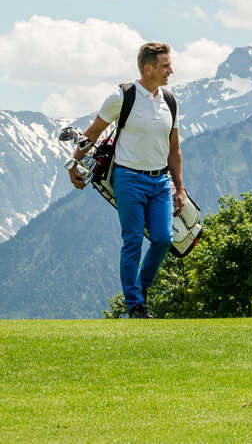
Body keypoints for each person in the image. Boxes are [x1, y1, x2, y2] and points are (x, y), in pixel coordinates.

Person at [68, 42, 185, 318]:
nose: (172, 70)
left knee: (163, 239)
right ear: (149, 68)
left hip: (160, 184)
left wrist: (180, 188)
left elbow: (174, 149)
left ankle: (139, 294)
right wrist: (73, 163)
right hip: (128, 179)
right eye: (166, 65)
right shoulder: (121, 98)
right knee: (132, 240)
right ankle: (135, 306)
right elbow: (93, 132)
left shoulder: (170, 101)